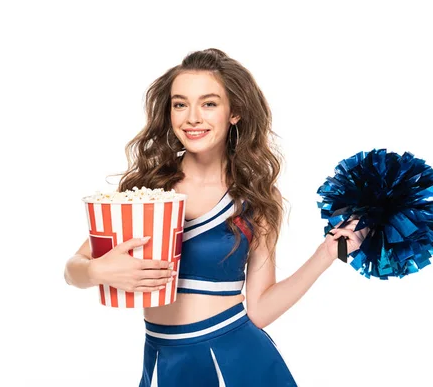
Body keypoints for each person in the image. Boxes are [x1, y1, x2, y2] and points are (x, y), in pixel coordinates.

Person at [64, 48, 369, 386]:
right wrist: (95, 270)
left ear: (234, 112)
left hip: (239, 360)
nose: (192, 117)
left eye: (208, 103)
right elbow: (73, 269)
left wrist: (327, 254)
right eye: (180, 104)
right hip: (163, 359)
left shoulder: (256, 199)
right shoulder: (145, 191)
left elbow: (259, 310)